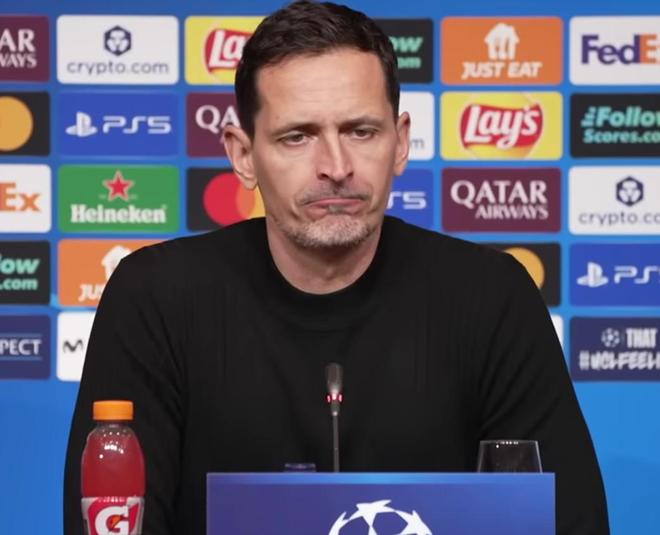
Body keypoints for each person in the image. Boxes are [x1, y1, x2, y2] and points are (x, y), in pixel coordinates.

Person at [64, 1, 609, 533]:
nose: (336, 167)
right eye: (297, 136)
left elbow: (567, 521)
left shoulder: (492, 297)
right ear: (243, 155)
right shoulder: (155, 298)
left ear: (401, 143)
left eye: (361, 131)